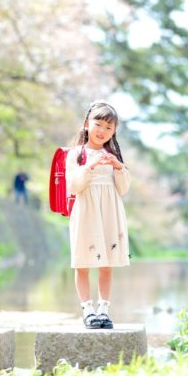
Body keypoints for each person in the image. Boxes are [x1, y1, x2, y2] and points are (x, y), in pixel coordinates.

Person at [66, 101, 130, 329]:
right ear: (86, 124)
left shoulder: (112, 155)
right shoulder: (76, 154)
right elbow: (73, 186)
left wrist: (119, 167)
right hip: (85, 212)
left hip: (109, 212)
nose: (102, 131)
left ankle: (104, 309)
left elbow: (123, 189)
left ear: (113, 132)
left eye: (109, 127)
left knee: (107, 264)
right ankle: (87, 309)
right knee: (82, 263)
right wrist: (89, 166)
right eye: (98, 124)